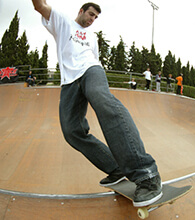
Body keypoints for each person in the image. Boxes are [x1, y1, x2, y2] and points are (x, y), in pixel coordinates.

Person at [31, 1, 162, 207]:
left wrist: (94, 77)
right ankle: (115, 167)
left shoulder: (92, 37)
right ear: (81, 11)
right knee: (71, 130)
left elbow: (95, 61)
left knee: (102, 100)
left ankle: (146, 174)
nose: (92, 20)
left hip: (91, 70)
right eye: (90, 15)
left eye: (95, 18)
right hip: (69, 82)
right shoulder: (63, 21)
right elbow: (40, 6)